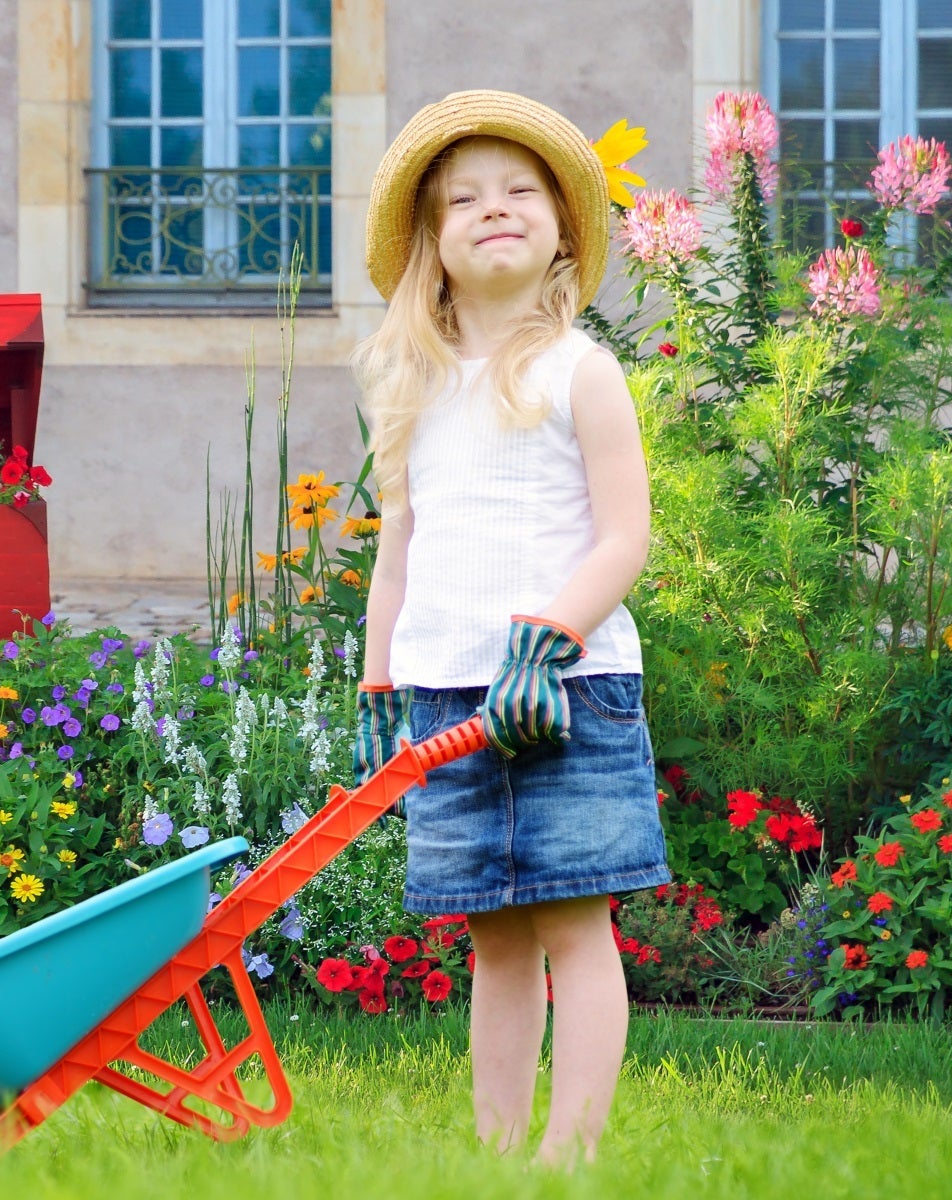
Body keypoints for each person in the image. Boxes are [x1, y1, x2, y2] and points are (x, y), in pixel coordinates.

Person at [349, 91, 670, 1165]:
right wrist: (377, 682)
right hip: (447, 698)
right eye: (466, 199)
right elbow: (398, 555)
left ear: (562, 232)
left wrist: (551, 636)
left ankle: (566, 1154)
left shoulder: (582, 371)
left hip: (567, 692)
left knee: (575, 927)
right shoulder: (413, 389)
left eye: (521, 191)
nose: (497, 209)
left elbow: (625, 537)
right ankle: (494, 1154)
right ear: (432, 246)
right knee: (495, 935)